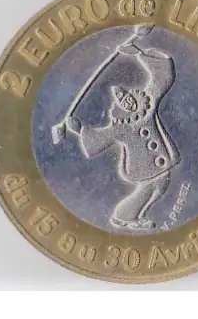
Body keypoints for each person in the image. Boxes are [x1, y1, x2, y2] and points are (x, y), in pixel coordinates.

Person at [66, 43, 180, 230]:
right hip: (142, 166)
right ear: (119, 106)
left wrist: (140, 53)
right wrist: (79, 129)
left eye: (128, 99)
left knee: (159, 188)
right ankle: (123, 216)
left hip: (162, 159)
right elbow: (101, 138)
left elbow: (163, 78)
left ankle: (139, 216)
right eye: (123, 102)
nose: (127, 103)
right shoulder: (120, 126)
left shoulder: (148, 104)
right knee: (146, 190)